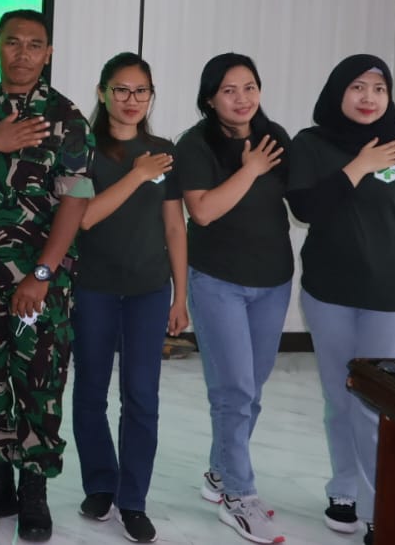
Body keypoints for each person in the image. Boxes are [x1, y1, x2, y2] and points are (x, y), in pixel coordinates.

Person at [285, 55, 395, 545]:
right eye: (357, 86)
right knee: (340, 399)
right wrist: (359, 167)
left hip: (393, 299)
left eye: (379, 88)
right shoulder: (310, 144)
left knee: (380, 407)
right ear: (338, 91)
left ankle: (383, 510)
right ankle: (344, 491)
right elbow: (306, 208)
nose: (368, 98)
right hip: (329, 295)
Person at [0, 9, 94, 543]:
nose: (23, 53)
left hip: (40, 280)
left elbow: (75, 201)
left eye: (35, 45)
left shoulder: (67, 117)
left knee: (39, 382)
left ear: (48, 53)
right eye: (13, 42)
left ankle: (34, 489)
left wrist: (42, 272)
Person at [70, 53, 190, 544]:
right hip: (94, 287)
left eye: (141, 91)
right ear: (102, 93)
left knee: (142, 396)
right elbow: (83, 218)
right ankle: (100, 484)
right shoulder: (82, 148)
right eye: (120, 89)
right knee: (90, 393)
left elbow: (174, 226)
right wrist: (137, 175)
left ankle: (133, 499)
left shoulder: (163, 151)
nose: (131, 100)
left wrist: (180, 295)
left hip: (148, 290)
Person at [174, 53, 290, 545]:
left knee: (251, 390)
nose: (242, 99)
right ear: (209, 99)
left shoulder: (274, 136)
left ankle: (220, 472)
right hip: (218, 281)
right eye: (229, 90)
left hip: (274, 281)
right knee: (234, 392)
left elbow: (303, 199)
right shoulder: (194, 144)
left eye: (249, 87)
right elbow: (202, 211)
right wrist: (251, 169)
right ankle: (239, 499)